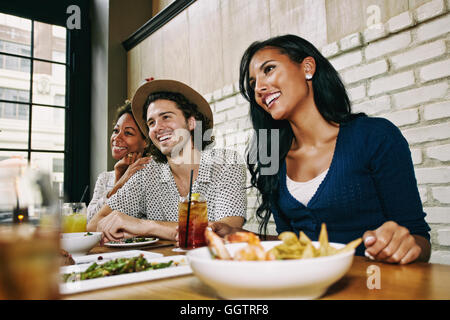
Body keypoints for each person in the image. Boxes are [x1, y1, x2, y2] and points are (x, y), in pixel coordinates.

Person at [214, 34, 431, 264]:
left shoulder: (375, 136)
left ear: (307, 67)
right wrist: (246, 237)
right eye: (252, 83)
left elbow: (420, 241)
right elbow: (294, 244)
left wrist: (404, 245)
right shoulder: (274, 160)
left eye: (268, 69)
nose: (259, 88)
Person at [87, 79, 246, 241]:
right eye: (151, 122)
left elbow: (225, 231)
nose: (157, 127)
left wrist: (145, 226)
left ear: (191, 122)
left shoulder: (227, 163)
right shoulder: (147, 172)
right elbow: (94, 224)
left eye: (166, 117)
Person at [87, 101, 150, 222]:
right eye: (116, 130)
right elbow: (91, 221)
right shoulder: (105, 178)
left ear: (146, 141)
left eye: (128, 133)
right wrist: (119, 179)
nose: (116, 137)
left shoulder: (151, 175)